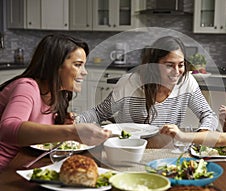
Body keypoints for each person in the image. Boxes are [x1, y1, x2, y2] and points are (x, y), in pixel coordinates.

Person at [0, 34, 111, 170]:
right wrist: (72, 132)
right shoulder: (26, 87)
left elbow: (39, 127)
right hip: (7, 168)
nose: (85, 72)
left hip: (29, 161)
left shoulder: (57, 92)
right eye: (77, 65)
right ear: (55, 66)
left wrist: (61, 122)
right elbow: (7, 129)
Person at [79, 36, 218, 131]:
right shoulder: (130, 82)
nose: (177, 71)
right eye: (169, 65)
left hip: (167, 149)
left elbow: (208, 115)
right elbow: (99, 113)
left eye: (180, 65)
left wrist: (203, 132)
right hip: (130, 147)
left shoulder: (187, 82)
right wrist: (73, 122)